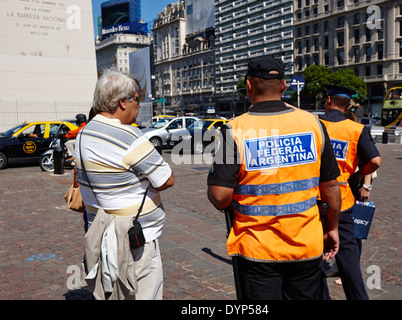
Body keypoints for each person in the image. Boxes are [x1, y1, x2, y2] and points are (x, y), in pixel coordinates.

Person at [207, 57, 342, 300]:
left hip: (257, 248)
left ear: (248, 86)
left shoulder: (233, 130)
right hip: (306, 244)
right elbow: (331, 185)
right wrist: (332, 227)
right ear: (283, 86)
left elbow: (219, 196)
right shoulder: (312, 123)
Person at [74, 69, 174, 300]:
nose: (138, 105)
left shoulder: (84, 133)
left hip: (99, 231)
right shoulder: (129, 137)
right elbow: (166, 179)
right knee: (141, 293)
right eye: (137, 99)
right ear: (122, 103)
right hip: (134, 238)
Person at [319, 85, 382, 300]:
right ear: (347, 107)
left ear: (328, 101)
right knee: (349, 259)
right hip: (341, 200)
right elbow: (375, 161)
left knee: (313, 259)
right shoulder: (355, 129)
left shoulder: (314, 124)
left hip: (312, 198)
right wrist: (358, 175)